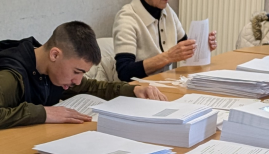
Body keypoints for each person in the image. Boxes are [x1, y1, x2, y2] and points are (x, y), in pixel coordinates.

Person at [0, 21, 166, 129]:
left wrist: (133, 90)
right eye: (76, 71)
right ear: (55, 55)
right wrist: (43, 113)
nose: (78, 80)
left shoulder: (52, 70)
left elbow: (90, 87)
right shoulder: (10, 76)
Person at [113, 0, 217, 82]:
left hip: (165, 83)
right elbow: (124, 71)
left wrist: (203, 46)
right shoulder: (127, 18)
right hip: (138, 90)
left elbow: (184, 48)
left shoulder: (167, 11)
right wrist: (168, 57)